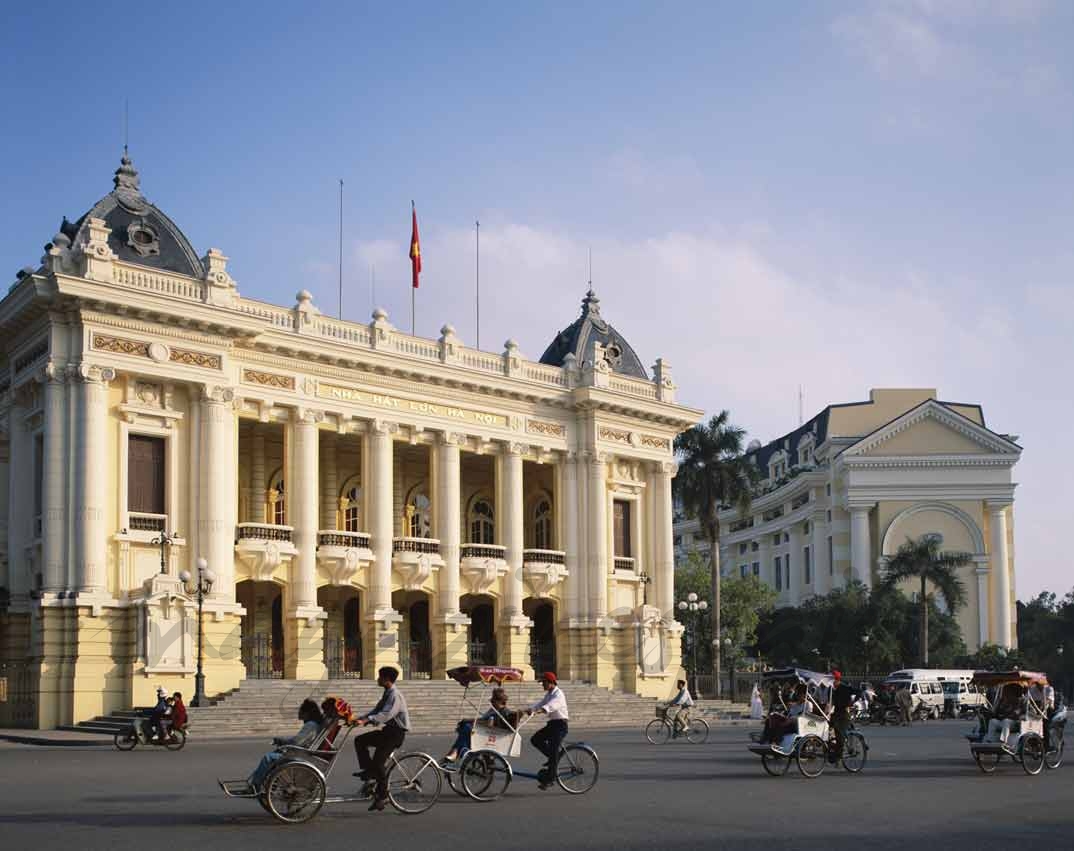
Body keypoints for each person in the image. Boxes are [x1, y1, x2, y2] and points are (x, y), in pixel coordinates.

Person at [353, 667, 410, 811]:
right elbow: (376, 710)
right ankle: (369, 770)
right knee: (360, 740)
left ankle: (383, 796)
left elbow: (387, 714)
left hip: (395, 734)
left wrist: (367, 720)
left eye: (380, 677)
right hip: (387, 732)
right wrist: (360, 719)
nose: (377, 679)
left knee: (379, 762)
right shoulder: (387, 693)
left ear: (386, 679)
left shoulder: (395, 695)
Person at [246, 699, 324, 791]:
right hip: (299, 752)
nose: (299, 712)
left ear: (307, 713)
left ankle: (255, 785)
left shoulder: (311, 725)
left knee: (268, 758)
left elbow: (296, 742)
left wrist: (282, 741)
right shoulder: (311, 724)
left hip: (300, 755)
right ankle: (266, 783)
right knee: (274, 756)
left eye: (301, 710)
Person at [444, 687, 516, 762]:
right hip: (486, 732)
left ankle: (455, 752)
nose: (491, 702)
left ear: (498, 701)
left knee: (467, 728)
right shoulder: (494, 709)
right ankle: (455, 751)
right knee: (465, 727)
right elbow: (483, 720)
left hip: (491, 734)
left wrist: (469, 721)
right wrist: (469, 721)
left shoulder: (501, 711)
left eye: (493, 700)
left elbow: (489, 724)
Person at [525, 671, 568, 789]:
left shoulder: (558, 694)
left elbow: (552, 705)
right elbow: (541, 703)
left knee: (554, 750)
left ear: (550, 682)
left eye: (543, 682)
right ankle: (553, 757)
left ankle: (550, 779)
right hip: (552, 724)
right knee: (535, 739)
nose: (542, 685)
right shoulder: (549, 693)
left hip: (560, 725)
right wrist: (530, 709)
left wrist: (541, 710)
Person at [829, 671, 858, 762]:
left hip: (844, 715)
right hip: (835, 714)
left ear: (837, 680)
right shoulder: (832, 689)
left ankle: (839, 755)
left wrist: (851, 703)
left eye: (832, 680)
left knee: (839, 735)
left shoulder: (845, 688)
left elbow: (859, 692)